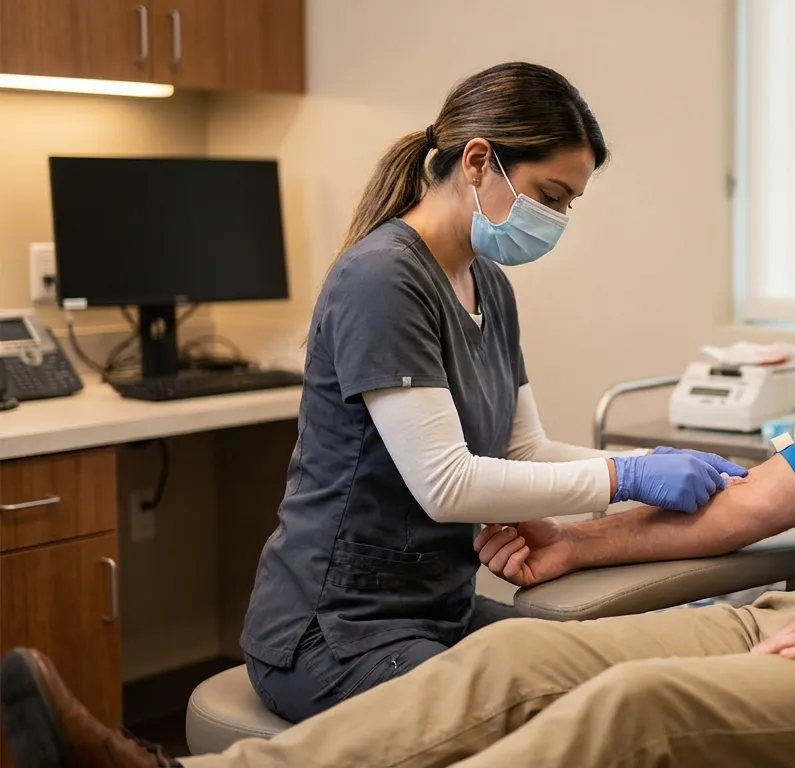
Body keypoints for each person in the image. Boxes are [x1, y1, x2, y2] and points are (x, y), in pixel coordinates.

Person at [0, 104, 795, 768]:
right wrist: (587, 548)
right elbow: (766, 497)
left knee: (625, 707)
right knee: (505, 663)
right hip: (786, 615)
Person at [233, 62, 748, 723]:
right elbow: (448, 485)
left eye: (568, 204)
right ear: (478, 160)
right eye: (550, 195)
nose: (557, 218)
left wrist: (652, 460)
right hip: (335, 632)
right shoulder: (383, 280)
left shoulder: (488, 285)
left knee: (617, 683)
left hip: (434, 612)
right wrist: (627, 475)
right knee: (562, 725)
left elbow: (522, 449)